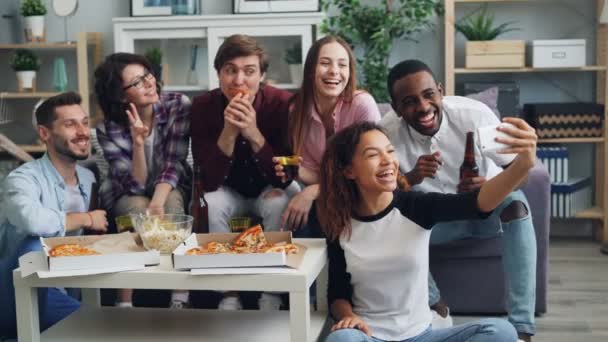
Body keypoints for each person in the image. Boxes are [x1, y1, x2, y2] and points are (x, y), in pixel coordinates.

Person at [318, 120, 537, 342]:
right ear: (348, 170)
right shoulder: (339, 223)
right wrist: (349, 317)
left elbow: (478, 203)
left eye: (390, 151)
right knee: (342, 338)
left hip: (423, 336)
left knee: (501, 332)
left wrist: (523, 165)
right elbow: (337, 293)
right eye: (373, 155)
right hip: (370, 335)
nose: (388, 161)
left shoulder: (416, 207)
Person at [380, 59, 537, 342]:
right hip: (436, 225)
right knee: (390, 224)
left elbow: (522, 174)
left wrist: (491, 185)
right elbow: (381, 199)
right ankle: (436, 306)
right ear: (396, 108)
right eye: (410, 101)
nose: (424, 107)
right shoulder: (386, 134)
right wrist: (412, 177)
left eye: (429, 95)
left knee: (516, 203)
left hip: (488, 212)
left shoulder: (474, 115)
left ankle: (522, 330)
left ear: (440, 91)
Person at [190, 34, 297, 310]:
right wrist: (229, 132)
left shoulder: (282, 104)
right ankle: (229, 293)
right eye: (230, 71)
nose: (239, 81)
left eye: (249, 71)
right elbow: (209, 181)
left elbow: (284, 177)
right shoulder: (202, 107)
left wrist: (253, 134)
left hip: (268, 187)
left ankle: (271, 292)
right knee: (213, 203)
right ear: (218, 74)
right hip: (228, 189)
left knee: (279, 201)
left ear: (261, 75)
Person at [0, 92, 108, 338]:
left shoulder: (89, 178)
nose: (82, 131)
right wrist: (86, 218)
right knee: (33, 244)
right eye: (70, 124)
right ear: (45, 133)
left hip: (66, 290)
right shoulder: (22, 179)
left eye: (84, 122)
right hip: (11, 297)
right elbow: (31, 219)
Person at [94, 52, 192, 309]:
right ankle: (124, 301)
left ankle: (179, 298)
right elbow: (134, 184)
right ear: (119, 95)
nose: (150, 83)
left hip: (169, 184)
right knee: (136, 210)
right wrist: (138, 144)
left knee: (170, 206)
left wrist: (157, 202)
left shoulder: (177, 105)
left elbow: (175, 160)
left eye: (148, 75)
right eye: (137, 82)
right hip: (126, 190)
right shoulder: (108, 129)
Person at [275, 35, 381, 234]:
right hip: (328, 198)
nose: (334, 71)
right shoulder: (296, 111)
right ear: (310, 70)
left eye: (343, 65)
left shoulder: (362, 105)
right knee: (296, 219)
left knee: (309, 211)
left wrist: (312, 191)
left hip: (362, 195)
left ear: (350, 72)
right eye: (325, 63)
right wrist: (297, 171)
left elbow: (369, 173)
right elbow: (316, 173)